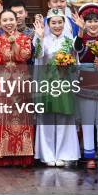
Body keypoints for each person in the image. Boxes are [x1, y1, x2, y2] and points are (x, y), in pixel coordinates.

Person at [0, 9, 34, 167]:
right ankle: (1, 157)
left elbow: (24, 57)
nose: (8, 23)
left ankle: (21, 156)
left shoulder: (25, 39)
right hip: (1, 81)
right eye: (4, 20)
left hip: (20, 81)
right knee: (1, 117)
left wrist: (14, 44)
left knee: (20, 118)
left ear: (16, 20)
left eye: (11, 19)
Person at [33, 9, 80, 167]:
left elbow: (76, 63)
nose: (57, 25)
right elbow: (38, 56)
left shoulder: (69, 40)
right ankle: (47, 155)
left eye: (60, 22)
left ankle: (63, 153)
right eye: (53, 22)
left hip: (64, 84)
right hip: (46, 83)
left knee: (63, 119)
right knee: (46, 119)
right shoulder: (42, 39)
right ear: (48, 24)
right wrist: (39, 37)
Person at [71, 3, 98, 170]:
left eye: (96, 21)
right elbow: (77, 48)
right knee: (88, 122)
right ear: (84, 23)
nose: (93, 24)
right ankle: (89, 156)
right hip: (86, 82)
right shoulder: (81, 38)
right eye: (89, 21)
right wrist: (80, 31)